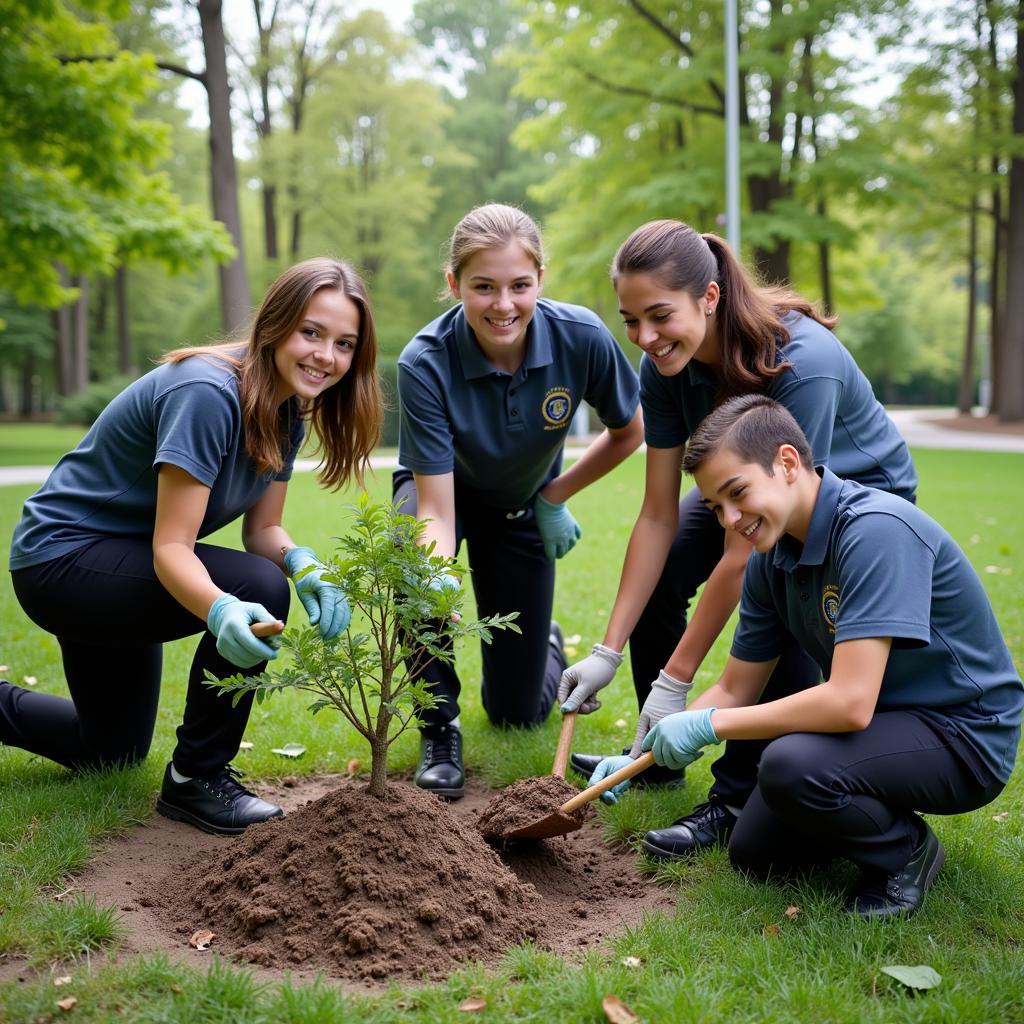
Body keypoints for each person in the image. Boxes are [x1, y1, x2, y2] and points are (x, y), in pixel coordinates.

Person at [561, 219, 919, 857]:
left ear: (709, 297)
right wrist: (607, 651)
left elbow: (748, 554)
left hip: (850, 498)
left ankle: (730, 799)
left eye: (659, 315)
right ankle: (657, 756)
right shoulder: (662, 366)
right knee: (666, 567)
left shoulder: (798, 362)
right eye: (630, 320)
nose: (645, 337)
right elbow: (656, 516)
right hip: (741, 484)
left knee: (780, 597)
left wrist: (679, 679)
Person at [592, 395, 1022, 918]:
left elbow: (848, 704)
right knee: (757, 856)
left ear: (788, 462)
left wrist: (709, 725)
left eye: (737, 493)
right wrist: (644, 754)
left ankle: (905, 852)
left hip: (963, 737)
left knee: (791, 765)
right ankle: (861, 810)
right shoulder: (770, 561)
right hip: (890, 725)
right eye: (715, 508)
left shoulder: (874, 531)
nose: (730, 519)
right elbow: (734, 687)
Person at [4, 258, 382, 835]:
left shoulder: (286, 413)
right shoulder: (207, 391)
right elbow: (172, 547)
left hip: (119, 563)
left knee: (110, 749)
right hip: (64, 558)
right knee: (255, 586)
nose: (326, 356)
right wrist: (220, 607)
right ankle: (196, 779)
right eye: (312, 332)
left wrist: (304, 563)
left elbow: (262, 532)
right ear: (276, 324)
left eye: (345, 343)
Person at [395, 203, 644, 799]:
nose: (503, 304)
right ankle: (439, 726)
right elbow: (435, 506)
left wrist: (554, 496)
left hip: (522, 506)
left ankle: (544, 642)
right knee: (412, 560)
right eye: (483, 287)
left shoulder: (580, 336)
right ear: (455, 285)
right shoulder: (423, 362)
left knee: (516, 712)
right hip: (438, 496)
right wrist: (435, 575)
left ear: (540, 280)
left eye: (519, 286)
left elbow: (629, 429)